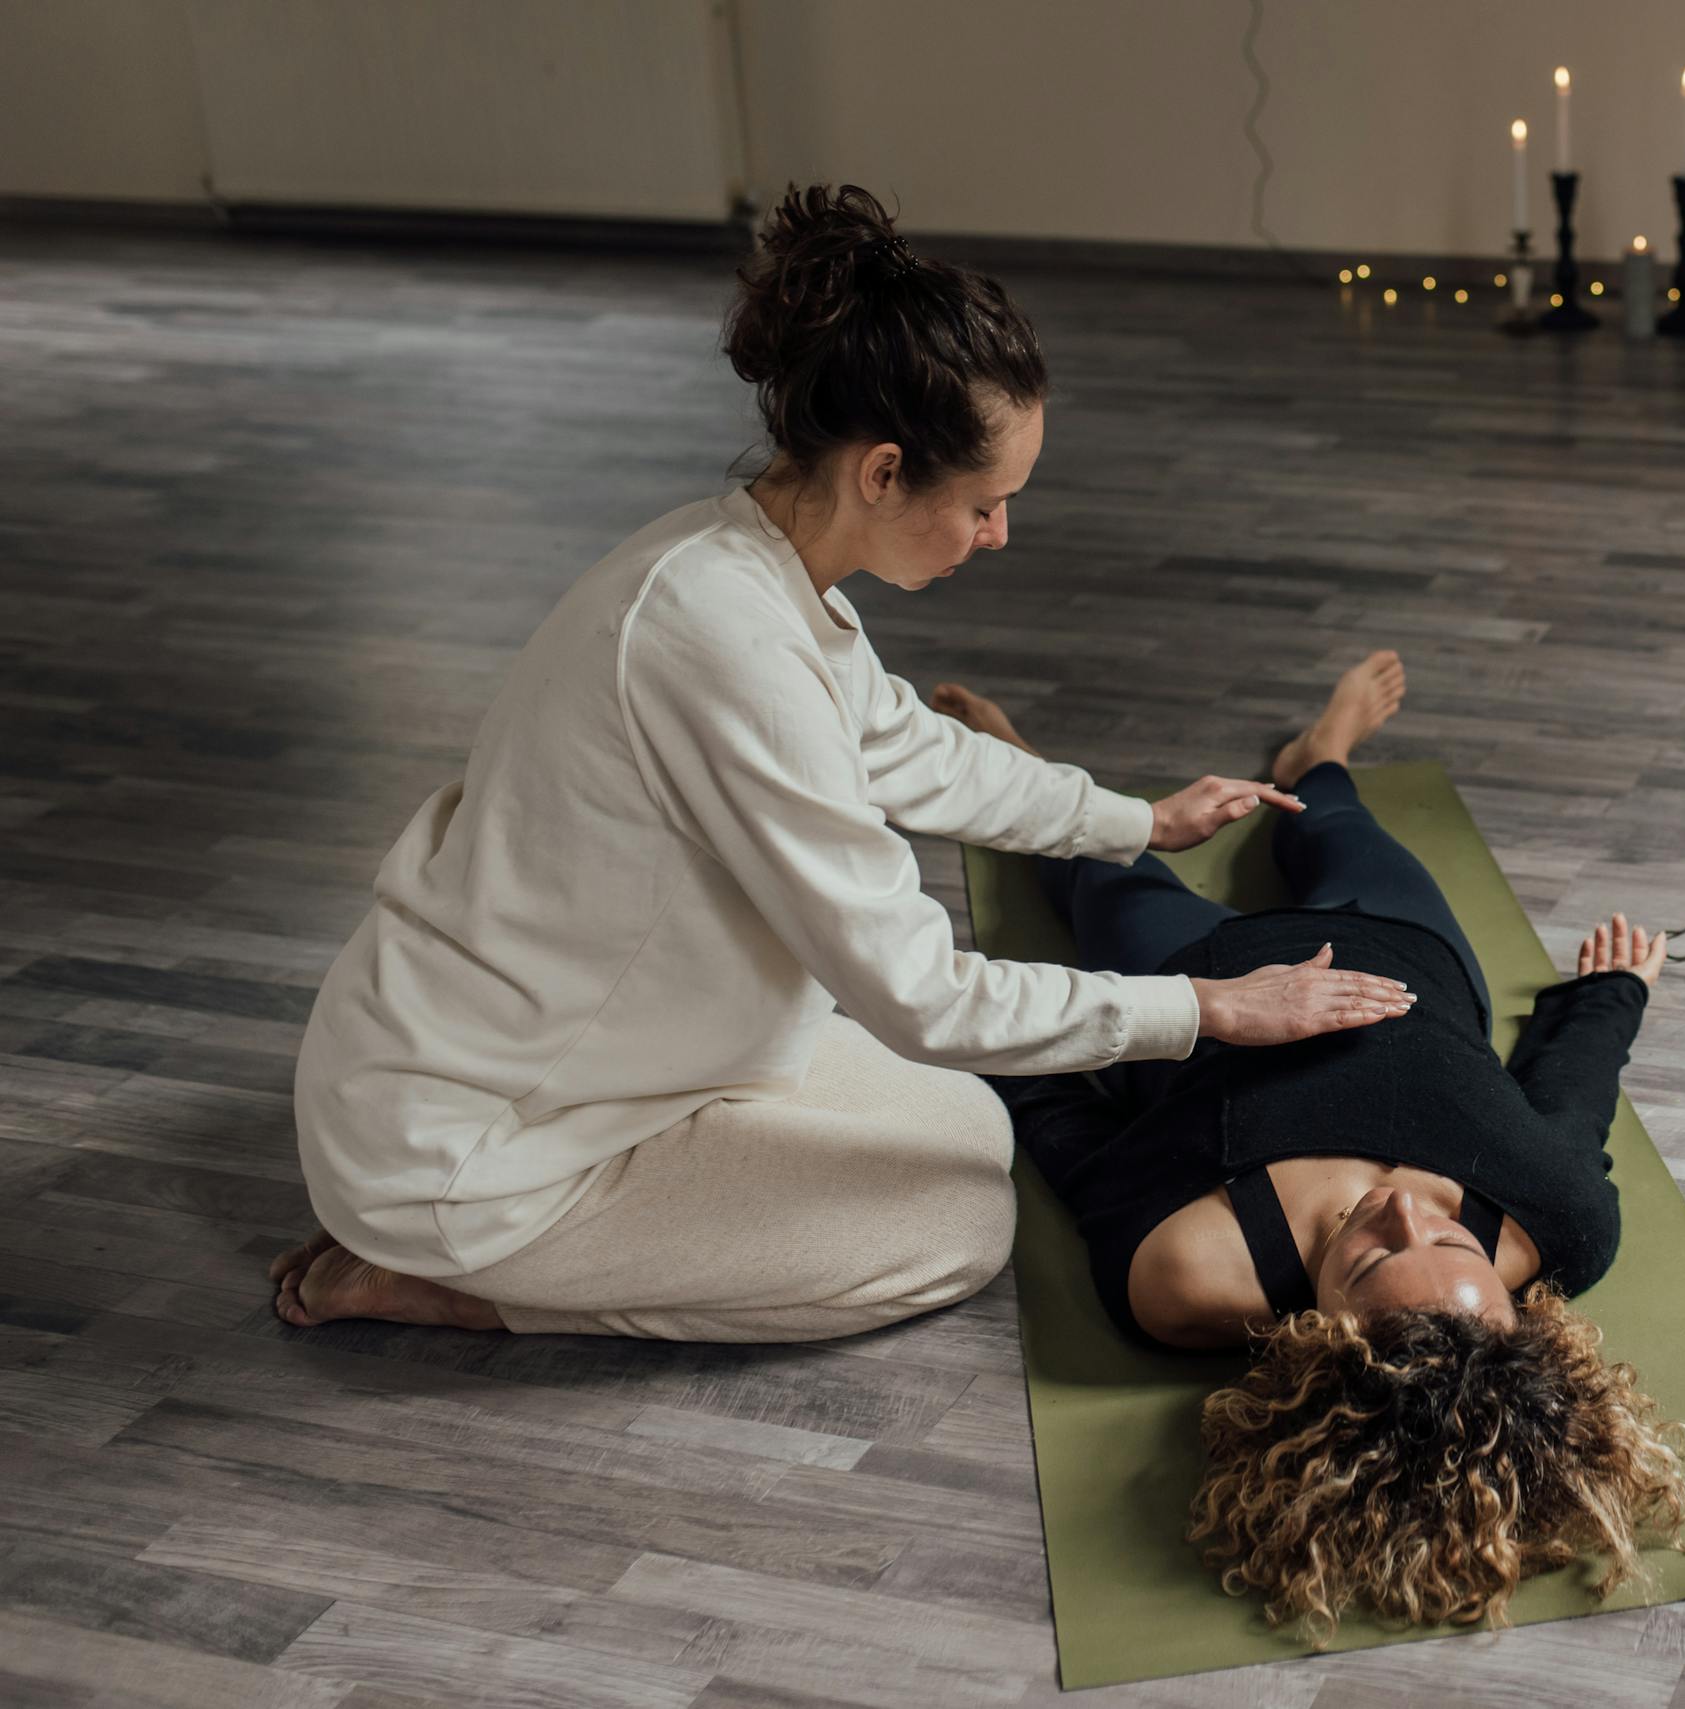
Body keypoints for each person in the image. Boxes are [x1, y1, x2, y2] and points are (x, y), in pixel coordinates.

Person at [270, 184, 1414, 1341]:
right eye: (984, 504)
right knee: (956, 1231)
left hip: (583, 1065)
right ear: (880, 471)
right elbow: (919, 991)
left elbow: (907, 749)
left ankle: (525, 1239)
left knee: (971, 1131)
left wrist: (1131, 822)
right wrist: (1204, 1008)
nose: (998, 534)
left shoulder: (751, 563)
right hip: (474, 1145)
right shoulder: (719, 642)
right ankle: (462, 1286)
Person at [934, 660, 1685, 1643]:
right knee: (1332, 820)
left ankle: (1021, 759)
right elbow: (1569, 1100)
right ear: (1514, 1307)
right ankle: (1319, 751)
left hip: (1194, 979)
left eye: (1374, 1257)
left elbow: (1068, 1136)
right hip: (1406, 946)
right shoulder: (1556, 1220)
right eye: (1453, 1245)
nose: (1408, 1209)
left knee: (1088, 865)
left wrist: (966, 1023)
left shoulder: (1193, 1273)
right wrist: (1612, 995)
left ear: (1318, 1335)